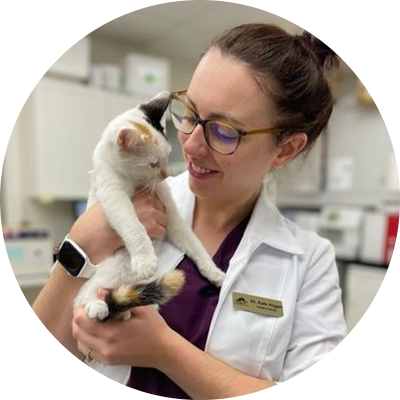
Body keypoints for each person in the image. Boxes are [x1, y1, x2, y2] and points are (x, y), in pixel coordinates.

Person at [32, 23, 348, 399]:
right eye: (189, 114)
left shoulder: (311, 260)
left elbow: (336, 393)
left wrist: (166, 351)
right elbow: (40, 356)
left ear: (285, 150)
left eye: (225, 131)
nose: (192, 145)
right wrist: (82, 241)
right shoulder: (131, 201)